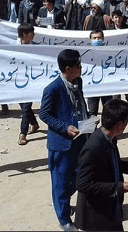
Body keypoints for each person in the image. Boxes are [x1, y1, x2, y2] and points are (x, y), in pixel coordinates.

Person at [39, 48, 90, 230]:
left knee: (78, 177)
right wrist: (64, 127)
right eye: (78, 66)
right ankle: (64, 220)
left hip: (80, 139)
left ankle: (68, 205)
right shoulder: (53, 89)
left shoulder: (79, 82)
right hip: (61, 144)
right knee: (60, 183)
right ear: (68, 68)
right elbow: (44, 114)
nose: (81, 68)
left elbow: (80, 104)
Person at [74, 99, 128, 231]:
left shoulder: (110, 139)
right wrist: (117, 187)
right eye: (127, 120)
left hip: (111, 209)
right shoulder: (93, 147)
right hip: (97, 216)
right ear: (120, 125)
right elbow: (82, 184)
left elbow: (109, 163)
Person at [16, 23, 40, 145]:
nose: (33, 35)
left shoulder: (37, 47)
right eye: (31, 33)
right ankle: (34, 124)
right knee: (24, 106)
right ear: (24, 35)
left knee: (25, 107)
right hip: (17, 81)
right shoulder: (12, 47)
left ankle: (22, 134)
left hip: (31, 81)